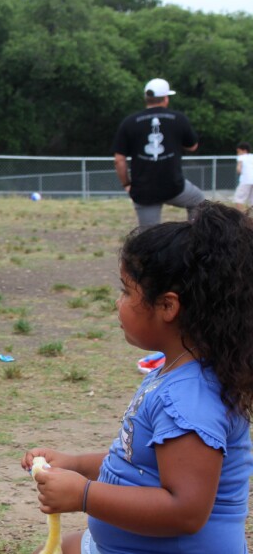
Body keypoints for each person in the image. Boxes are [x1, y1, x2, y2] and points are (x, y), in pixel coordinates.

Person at [22, 201, 253, 554]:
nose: (118, 303)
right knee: (68, 547)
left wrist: (83, 495)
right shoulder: (177, 371)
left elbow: (185, 512)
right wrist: (76, 465)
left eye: (127, 291)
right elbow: (138, 464)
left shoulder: (190, 401)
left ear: (167, 306)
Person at [114, 78, 204, 228]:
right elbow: (192, 146)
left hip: (144, 189)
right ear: (166, 99)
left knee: (149, 236)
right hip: (174, 185)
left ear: (146, 98)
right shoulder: (178, 119)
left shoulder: (129, 122)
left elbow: (119, 160)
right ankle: (194, 238)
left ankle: (150, 250)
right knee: (199, 201)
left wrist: (127, 184)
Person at [233, 141, 253, 212]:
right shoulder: (252, 156)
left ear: (244, 150)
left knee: (238, 198)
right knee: (252, 200)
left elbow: (239, 169)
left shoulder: (241, 157)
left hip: (246, 180)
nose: (238, 154)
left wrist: (239, 172)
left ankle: (241, 216)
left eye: (238, 152)